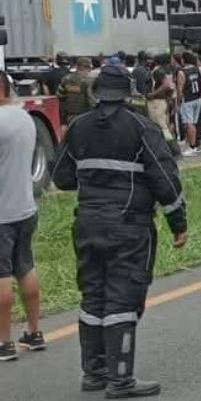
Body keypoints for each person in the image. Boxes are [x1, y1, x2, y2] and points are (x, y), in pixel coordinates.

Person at [50, 65, 188, 397]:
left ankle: (94, 374)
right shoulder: (141, 128)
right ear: (128, 92)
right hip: (128, 226)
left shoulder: (79, 127)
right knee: (123, 299)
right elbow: (165, 180)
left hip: (87, 224)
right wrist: (178, 223)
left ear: (98, 92)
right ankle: (121, 380)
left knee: (93, 296)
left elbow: (61, 176)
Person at [0, 72, 45, 362]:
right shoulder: (26, 118)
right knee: (25, 268)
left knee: (1, 275)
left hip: (1, 214)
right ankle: (34, 332)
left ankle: (4, 342)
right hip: (25, 208)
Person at [175, 52, 201, 158]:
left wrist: (178, 103)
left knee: (189, 123)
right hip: (198, 98)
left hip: (188, 99)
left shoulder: (182, 72)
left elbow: (180, 90)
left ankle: (192, 147)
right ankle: (194, 145)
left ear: (184, 60)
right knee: (194, 123)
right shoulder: (199, 69)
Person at [58, 57, 98, 135]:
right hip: (85, 116)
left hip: (69, 116)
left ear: (77, 66)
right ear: (87, 67)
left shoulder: (66, 78)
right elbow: (91, 100)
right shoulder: (90, 79)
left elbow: (60, 96)